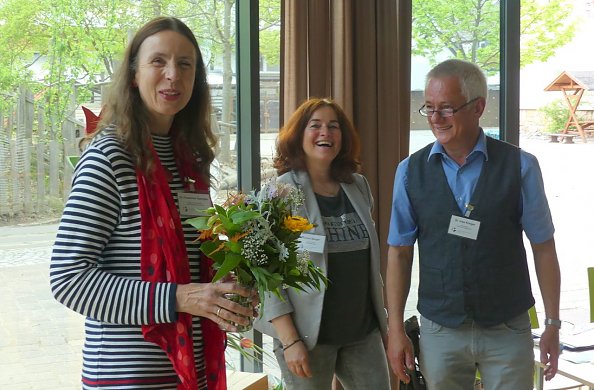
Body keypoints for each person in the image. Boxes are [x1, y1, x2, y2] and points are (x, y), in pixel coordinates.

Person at [50, 17, 257, 390]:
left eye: (185, 64)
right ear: (133, 74)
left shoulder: (190, 160)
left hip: (191, 371)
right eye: (158, 61)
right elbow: (69, 280)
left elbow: (193, 264)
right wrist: (183, 297)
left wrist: (223, 293)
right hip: (128, 377)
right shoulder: (109, 157)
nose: (172, 75)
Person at [385, 59, 561, 390]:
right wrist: (396, 328)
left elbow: (544, 246)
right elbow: (399, 253)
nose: (436, 119)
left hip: (507, 327)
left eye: (447, 108)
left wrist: (552, 322)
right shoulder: (409, 171)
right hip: (440, 329)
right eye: (429, 108)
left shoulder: (521, 166)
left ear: (478, 106)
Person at [254, 98, 391, 389]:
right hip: (307, 337)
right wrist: (289, 340)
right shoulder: (280, 191)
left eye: (334, 126)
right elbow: (266, 276)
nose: (325, 133)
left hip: (362, 332)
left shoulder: (358, 186)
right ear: (298, 135)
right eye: (315, 126)